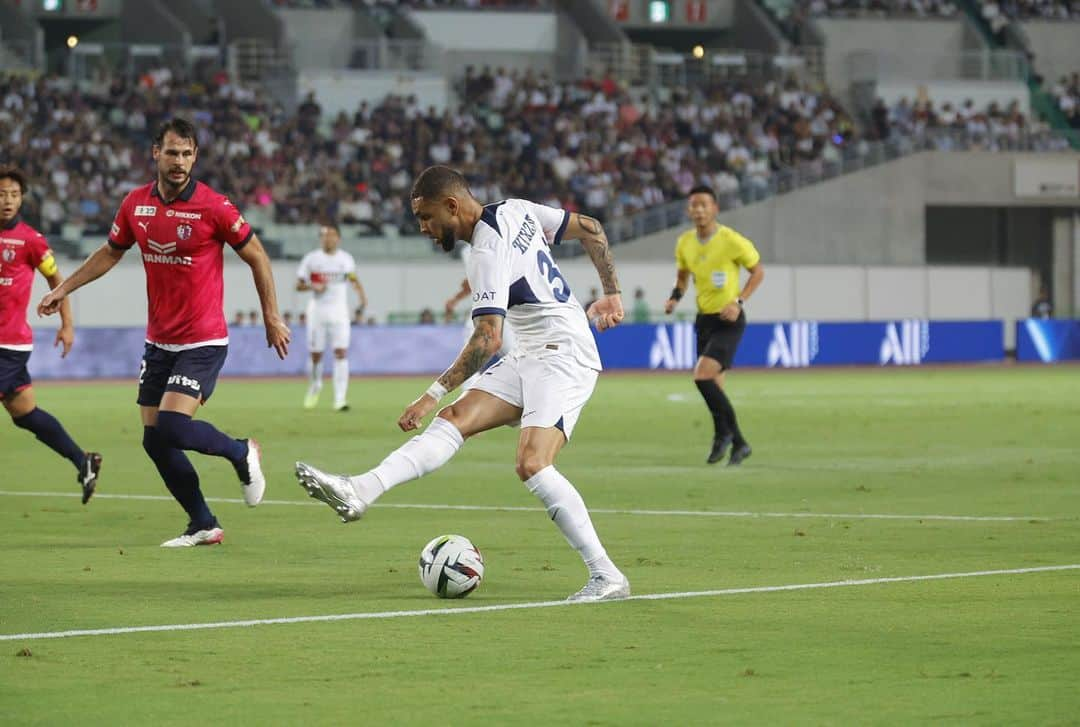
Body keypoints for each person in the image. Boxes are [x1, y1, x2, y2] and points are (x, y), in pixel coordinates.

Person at [296, 165, 630, 602]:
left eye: (427, 218)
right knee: (454, 420)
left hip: (563, 355)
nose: (425, 229)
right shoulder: (516, 209)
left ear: (452, 205)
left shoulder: (486, 253)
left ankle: (607, 576)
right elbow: (591, 228)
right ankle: (359, 490)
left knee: (533, 463)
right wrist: (611, 291)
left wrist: (430, 393)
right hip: (530, 351)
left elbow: (488, 339)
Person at [38, 118, 291, 548]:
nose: (179, 162)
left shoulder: (214, 206)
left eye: (187, 153)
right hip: (159, 342)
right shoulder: (136, 204)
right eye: (172, 152)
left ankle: (240, 451)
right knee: (155, 440)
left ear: (195, 157)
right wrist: (63, 289)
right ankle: (203, 523)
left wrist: (272, 316)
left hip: (203, 340)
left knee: (173, 426)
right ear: (155, 153)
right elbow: (109, 254)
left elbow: (258, 257)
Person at [0, 165, 102, 503]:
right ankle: (83, 460)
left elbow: (58, 282)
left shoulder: (31, 241)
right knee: (25, 414)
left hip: (8, 344)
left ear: (22, 199)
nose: (7, 201)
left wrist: (67, 324)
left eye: (13, 195)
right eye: (2, 194)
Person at [664, 185, 764, 466]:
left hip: (729, 319)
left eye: (703, 205)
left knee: (702, 376)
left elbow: (758, 271)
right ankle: (738, 443)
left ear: (715, 209)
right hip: (704, 319)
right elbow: (682, 276)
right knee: (715, 389)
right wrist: (674, 297)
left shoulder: (731, 240)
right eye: (693, 205)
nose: (698, 210)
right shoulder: (685, 242)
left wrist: (739, 301)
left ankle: (725, 438)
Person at [296, 224, 367, 411]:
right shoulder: (312, 259)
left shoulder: (345, 259)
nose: (328, 239)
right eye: (325, 236)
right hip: (317, 312)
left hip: (339, 312)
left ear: (338, 238)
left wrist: (362, 296)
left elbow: (353, 279)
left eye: (332, 235)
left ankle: (340, 399)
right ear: (321, 238)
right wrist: (313, 286)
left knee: (341, 352)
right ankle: (315, 386)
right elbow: (298, 285)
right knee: (316, 355)